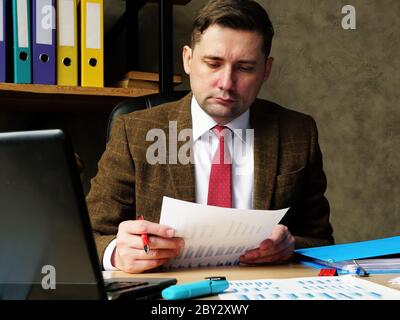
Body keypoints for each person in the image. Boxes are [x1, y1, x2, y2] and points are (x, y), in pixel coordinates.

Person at [86, 0, 334, 274]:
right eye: (213, 63)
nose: (226, 82)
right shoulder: (135, 132)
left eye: (245, 67)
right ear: (188, 60)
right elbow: (88, 235)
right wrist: (116, 254)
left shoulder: (298, 133)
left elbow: (321, 240)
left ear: (266, 70)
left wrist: (291, 246)